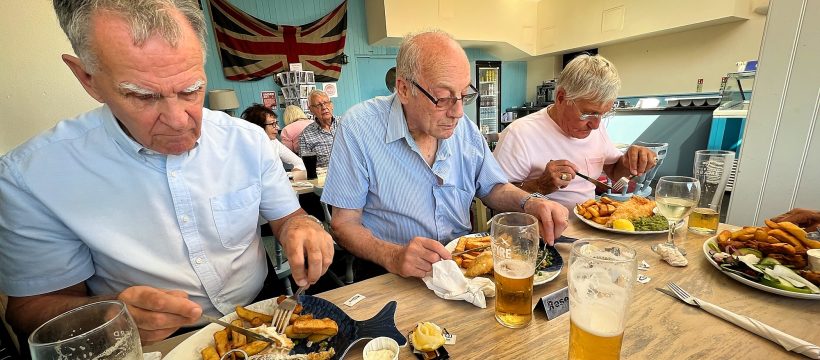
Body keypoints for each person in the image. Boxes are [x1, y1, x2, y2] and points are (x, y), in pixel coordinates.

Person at [0, 0, 333, 344]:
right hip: (146, 340)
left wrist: (303, 226)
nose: (178, 120)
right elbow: (29, 309)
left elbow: (288, 217)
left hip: (265, 309)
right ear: (87, 78)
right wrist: (107, 313)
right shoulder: (33, 176)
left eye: (191, 90)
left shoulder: (245, 138)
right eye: (141, 96)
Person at [320, 30, 568, 279]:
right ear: (404, 89)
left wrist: (531, 202)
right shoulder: (360, 127)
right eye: (443, 98)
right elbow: (343, 225)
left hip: (462, 272)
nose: (459, 112)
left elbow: (493, 188)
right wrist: (392, 255)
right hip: (389, 274)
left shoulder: (465, 130)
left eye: (464, 95)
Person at [493, 54, 658, 208]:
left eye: (603, 115)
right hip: (538, 233)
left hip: (588, 227)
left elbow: (614, 172)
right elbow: (495, 196)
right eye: (589, 113)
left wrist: (630, 162)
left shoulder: (597, 127)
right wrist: (540, 186)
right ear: (561, 98)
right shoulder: (520, 133)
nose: (595, 125)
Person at [240, 103, 307, 180]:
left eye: (276, 123)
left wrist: (293, 173)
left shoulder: (274, 142)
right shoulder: (245, 149)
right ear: (258, 126)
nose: (277, 127)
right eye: (272, 124)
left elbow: (299, 162)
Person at [299, 90, 339, 167]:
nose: (324, 107)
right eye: (318, 105)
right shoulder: (305, 135)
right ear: (311, 110)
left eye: (326, 103)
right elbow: (305, 165)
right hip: (325, 177)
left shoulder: (344, 124)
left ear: (331, 105)